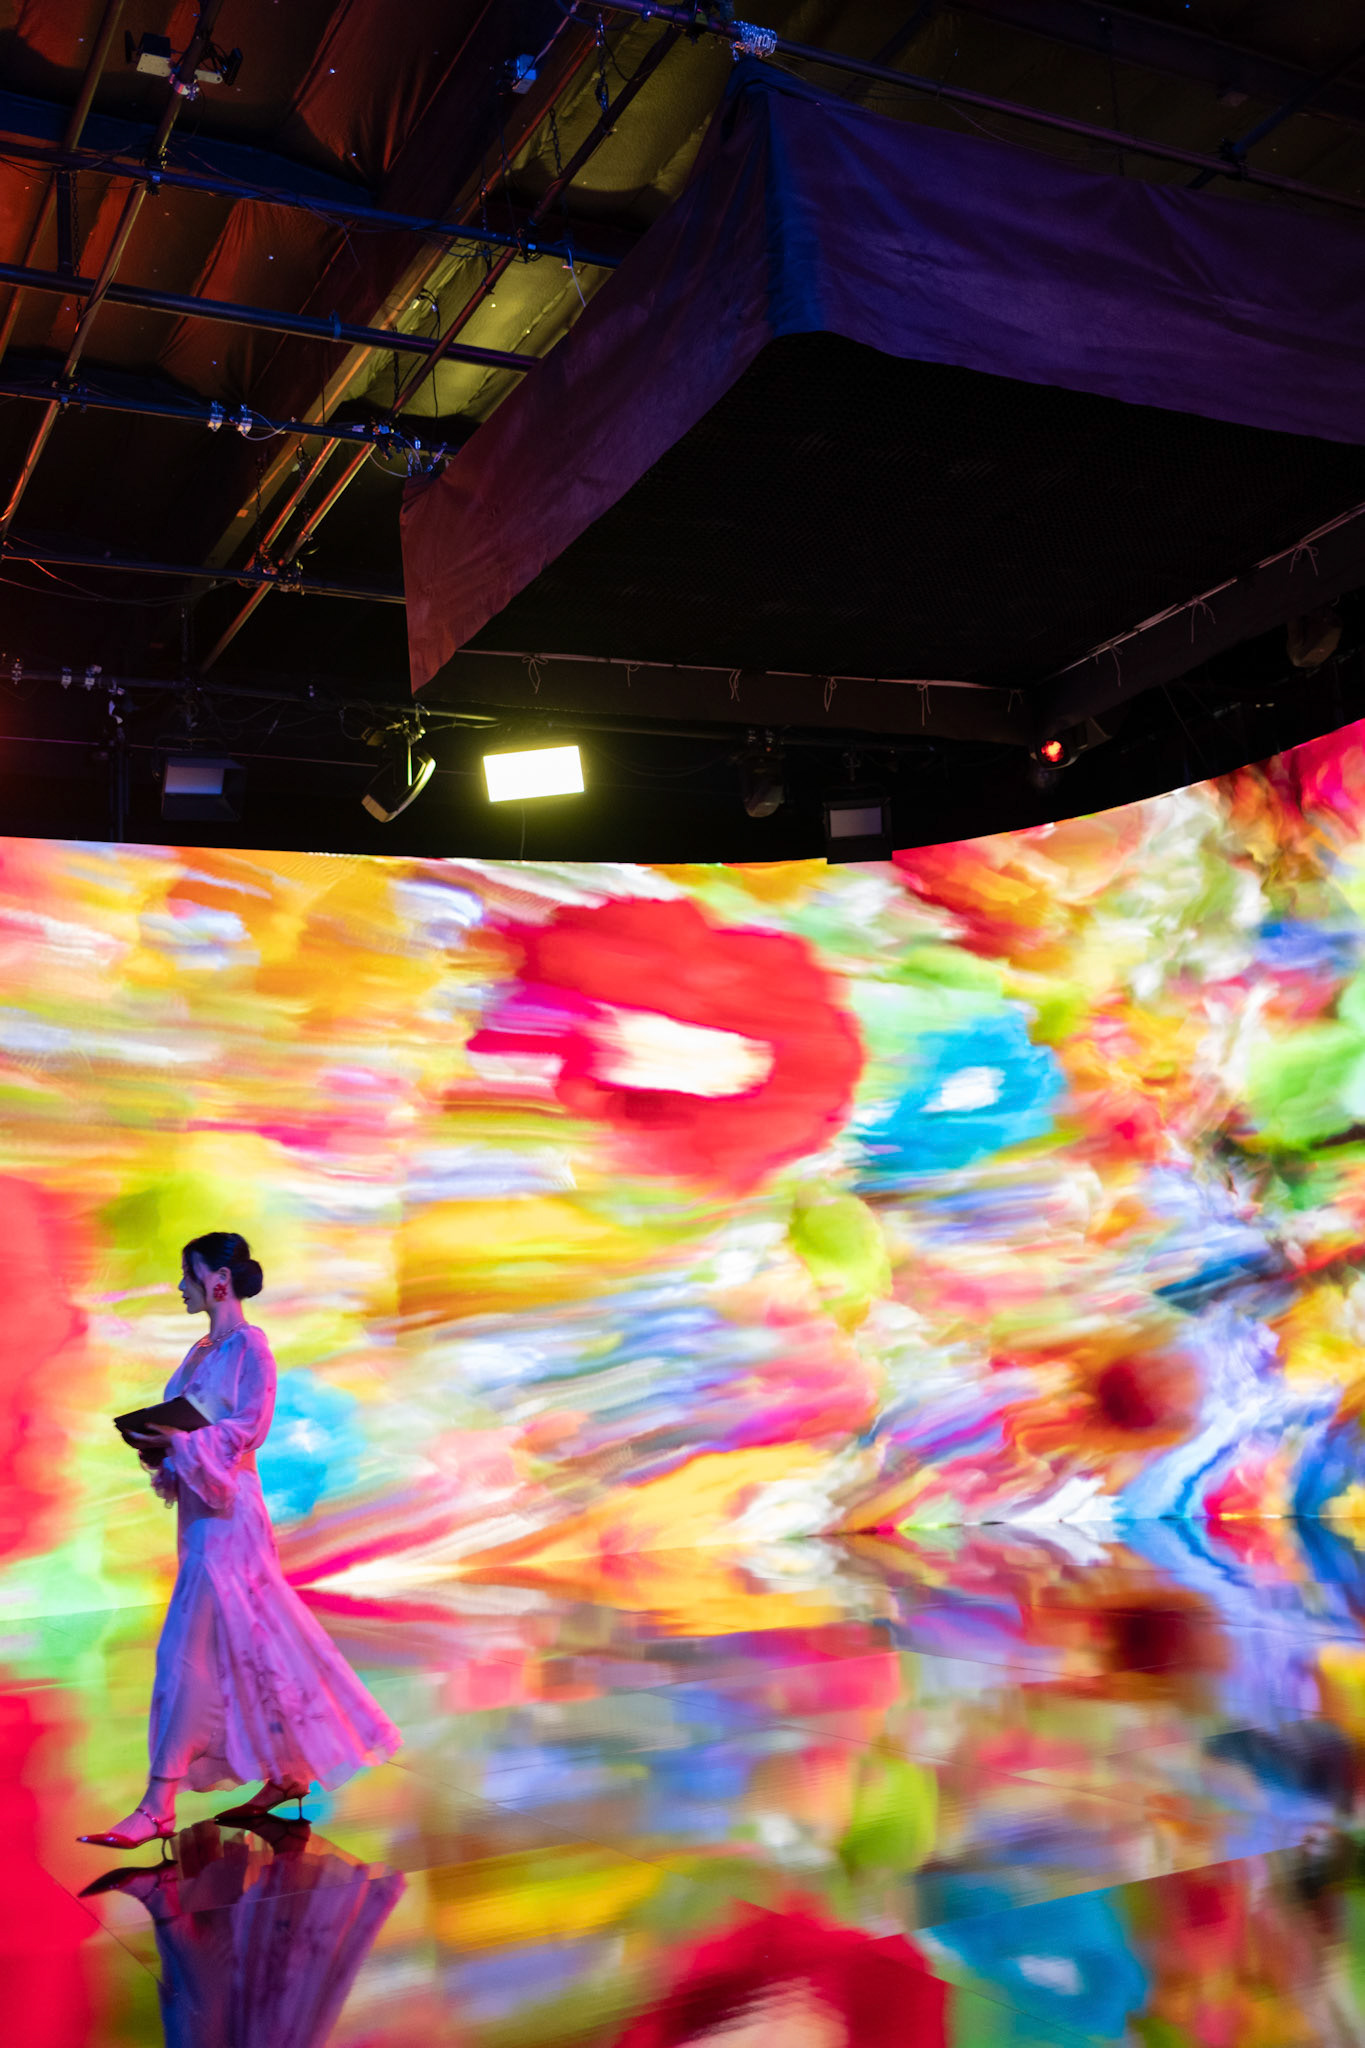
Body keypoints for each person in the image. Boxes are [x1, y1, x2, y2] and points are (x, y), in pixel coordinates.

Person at [79, 1232, 401, 1850]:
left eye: (188, 1275)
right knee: (248, 1641)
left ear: (218, 1281)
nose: (181, 1287)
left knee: (188, 1652)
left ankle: (158, 1802)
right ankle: (289, 1772)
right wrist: (159, 1443)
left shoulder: (251, 1346)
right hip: (202, 1515)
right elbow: (192, 1425)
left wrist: (180, 1441)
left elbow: (249, 1427)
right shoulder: (200, 1351)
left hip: (230, 1518)